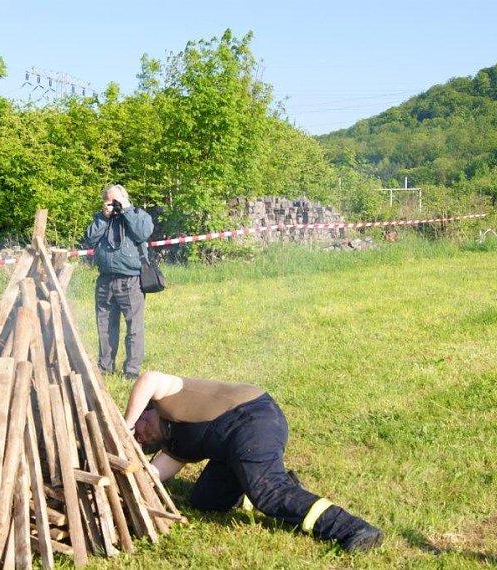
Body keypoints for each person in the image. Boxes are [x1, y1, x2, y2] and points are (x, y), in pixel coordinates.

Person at [124, 371, 385, 553]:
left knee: (268, 491)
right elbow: (151, 476)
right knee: (205, 500)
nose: (140, 435)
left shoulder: (166, 397)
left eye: (140, 427)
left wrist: (125, 426)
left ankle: (352, 529)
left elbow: (148, 378)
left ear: (146, 410)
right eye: (140, 440)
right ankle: (285, 485)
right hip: (232, 448)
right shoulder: (175, 447)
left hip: (252, 417)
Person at [83, 184, 154, 379]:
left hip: (130, 280)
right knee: (105, 327)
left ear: (125, 199)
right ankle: (105, 367)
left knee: (134, 328)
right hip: (105, 280)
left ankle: (131, 370)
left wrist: (126, 210)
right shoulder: (102, 218)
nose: (113, 205)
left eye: (115, 201)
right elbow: (89, 239)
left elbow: (143, 233)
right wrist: (103, 217)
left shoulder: (138, 215)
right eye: (108, 201)